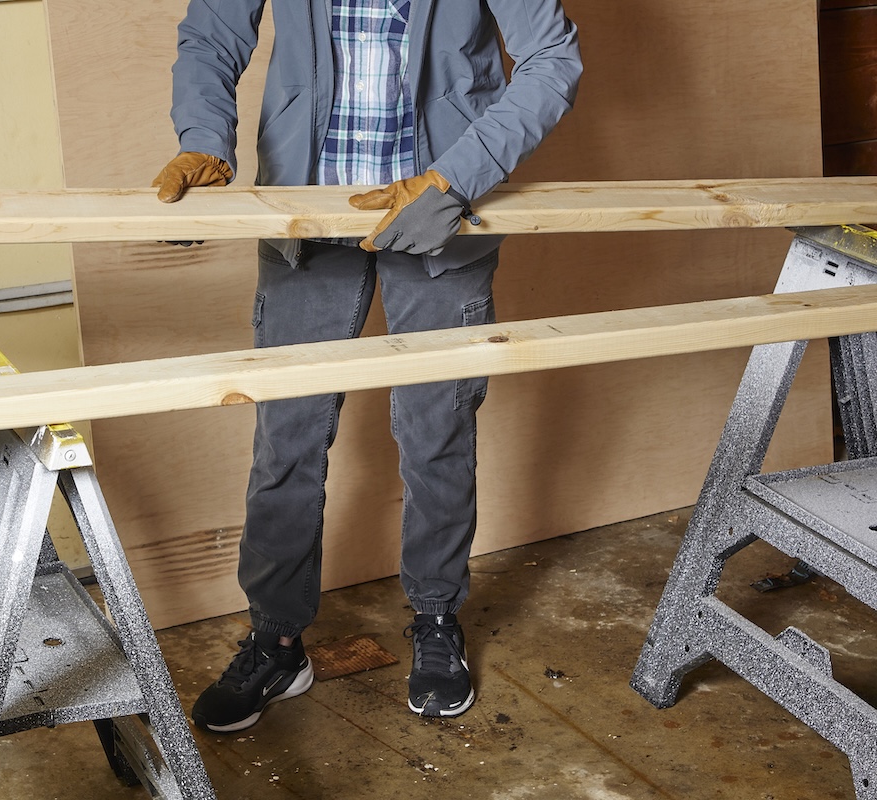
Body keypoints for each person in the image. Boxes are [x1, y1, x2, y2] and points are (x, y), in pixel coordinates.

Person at [153, 0, 581, 732]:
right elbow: (213, 34)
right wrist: (203, 134)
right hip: (307, 213)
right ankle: (277, 641)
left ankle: (438, 617)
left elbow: (553, 57)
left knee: (436, 429)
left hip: (437, 211)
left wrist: (456, 179)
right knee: (287, 436)